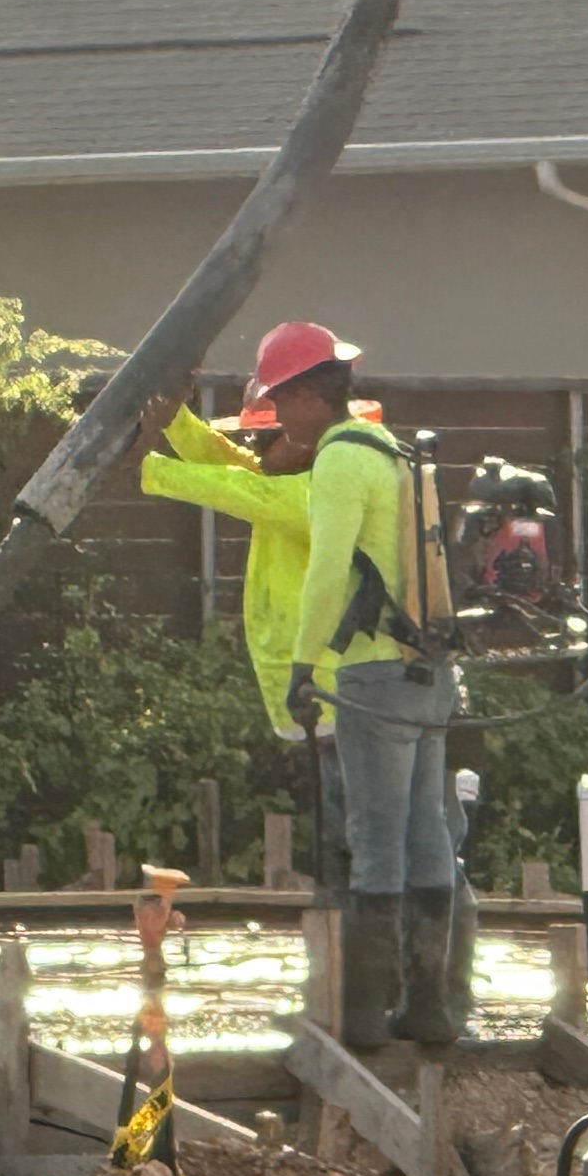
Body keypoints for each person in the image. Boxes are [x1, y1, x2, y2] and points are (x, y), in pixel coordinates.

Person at [270, 321, 460, 1048]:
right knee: (426, 831)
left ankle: (361, 1021)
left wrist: (302, 663)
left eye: (281, 400)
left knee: (374, 839)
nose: (278, 417)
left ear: (310, 394)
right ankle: (428, 1008)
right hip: (430, 673)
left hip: (374, 677)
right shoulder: (394, 452)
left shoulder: (341, 462)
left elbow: (327, 572)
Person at [138, 395, 383, 884]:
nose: (252, 446)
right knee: (340, 817)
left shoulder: (322, 493)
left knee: (355, 827)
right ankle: (347, 911)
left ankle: (356, 915)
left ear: (301, 437)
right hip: (319, 691)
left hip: (340, 690)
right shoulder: (297, 476)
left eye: (263, 436)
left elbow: (244, 490)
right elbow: (233, 467)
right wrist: (177, 424)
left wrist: (150, 469)